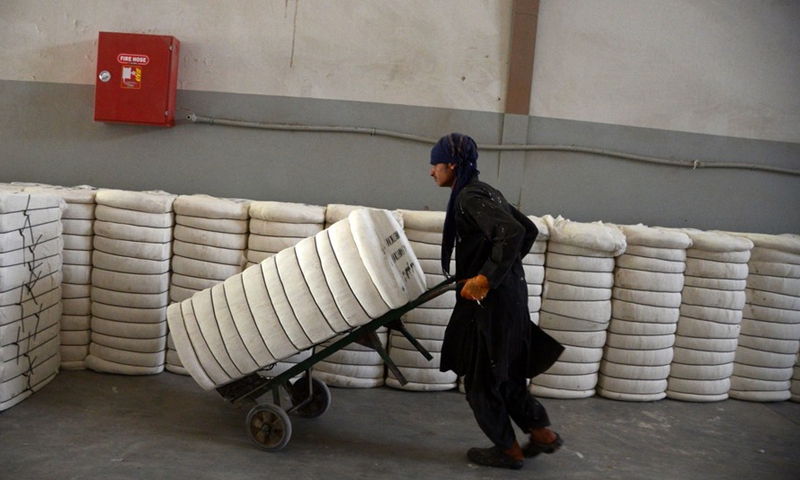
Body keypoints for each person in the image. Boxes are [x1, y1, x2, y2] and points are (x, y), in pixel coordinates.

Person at [428, 133, 565, 470]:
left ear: (451, 164)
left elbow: (513, 233)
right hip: (511, 301)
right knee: (506, 374)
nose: (431, 172)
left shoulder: (470, 197)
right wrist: (502, 272)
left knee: (480, 381)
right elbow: (528, 229)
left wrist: (486, 278)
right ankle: (542, 433)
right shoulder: (486, 190)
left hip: (490, 307)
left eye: (435, 164)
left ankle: (508, 450)